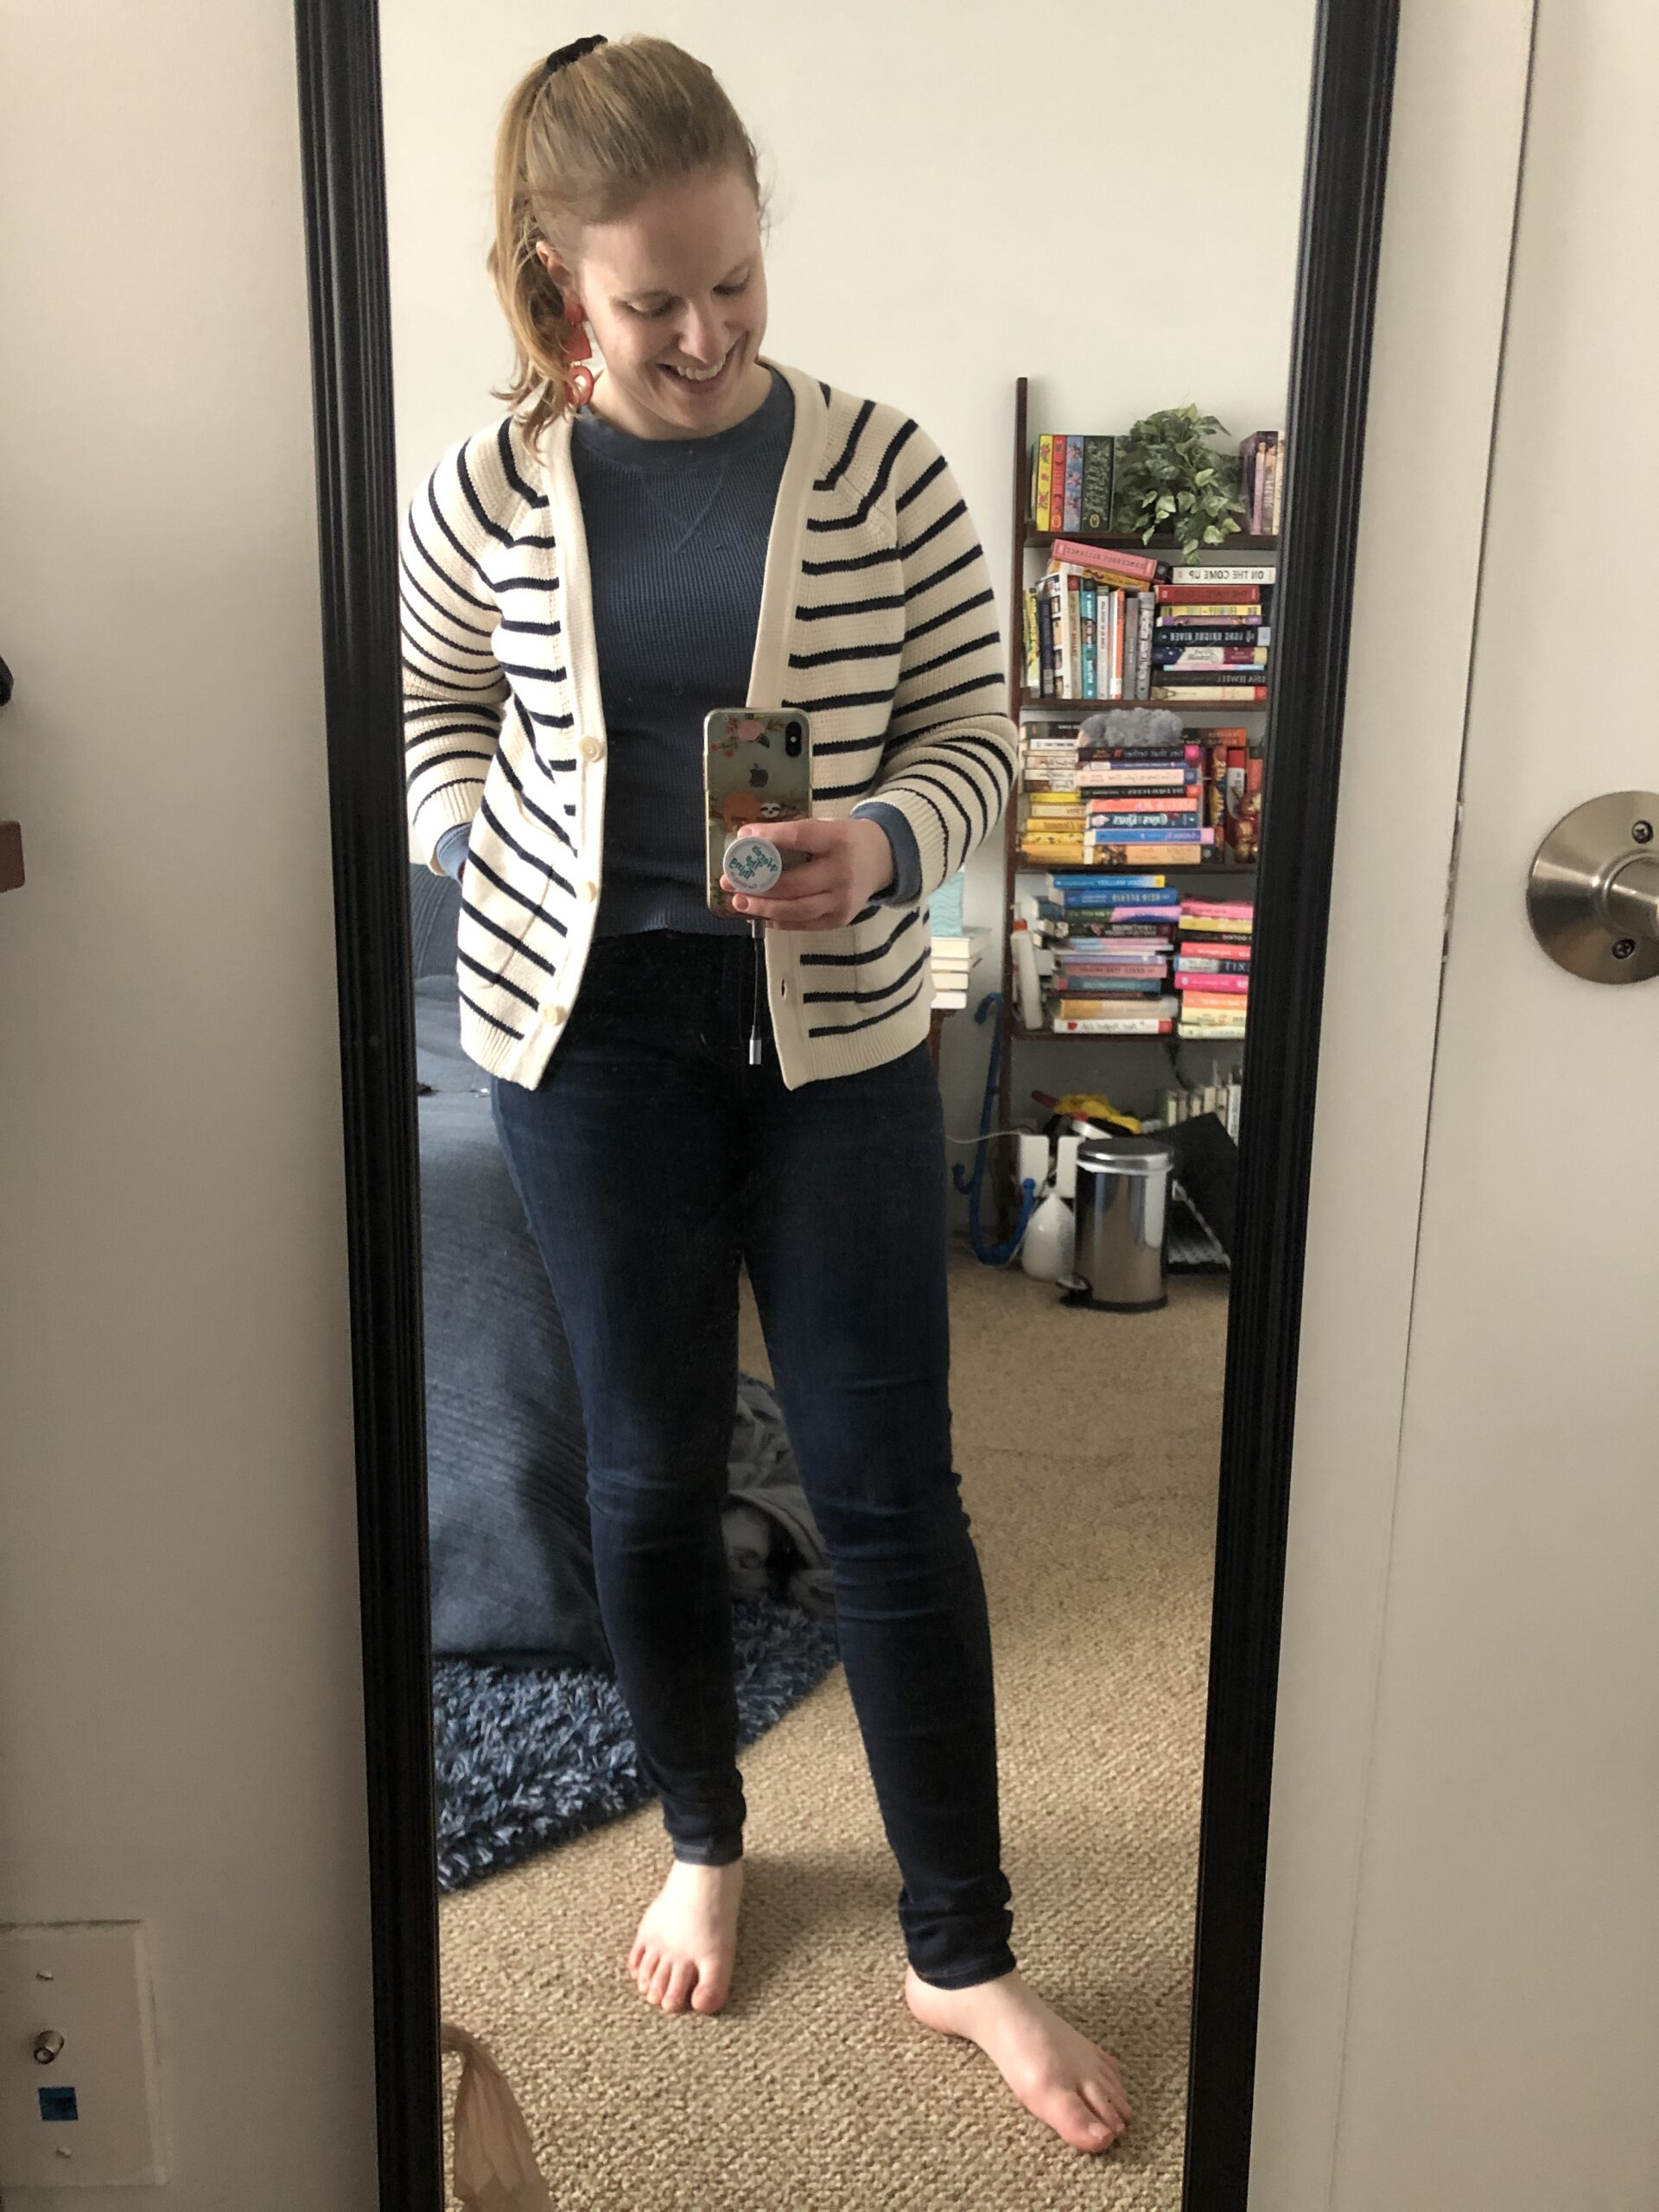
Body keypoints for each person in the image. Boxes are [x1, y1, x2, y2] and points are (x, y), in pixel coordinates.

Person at [400, 31, 1131, 2158]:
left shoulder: (888, 466)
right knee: (641, 1474)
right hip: (585, 1044)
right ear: (555, 286)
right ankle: (704, 1830)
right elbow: (438, 697)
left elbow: (979, 741)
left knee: (897, 1487)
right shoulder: (483, 485)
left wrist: (887, 844)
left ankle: (962, 1943)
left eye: (735, 280)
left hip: (839, 1045)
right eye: (654, 300)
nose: (706, 332)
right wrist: (478, 844)